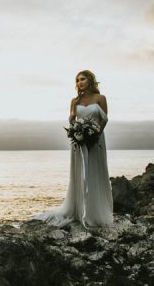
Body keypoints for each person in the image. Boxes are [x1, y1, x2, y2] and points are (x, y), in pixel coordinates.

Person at [34, 70, 114, 228]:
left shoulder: (100, 98)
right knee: (79, 173)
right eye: (77, 80)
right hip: (79, 140)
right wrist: (75, 129)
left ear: (90, 80)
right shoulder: (74, 101)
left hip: (96, 140)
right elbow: (72, 119)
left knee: (95, 171)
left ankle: (95, 213)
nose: (79, 82)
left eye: (82, 79)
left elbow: (105, 120)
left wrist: (95, 133)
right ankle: (78, 210)